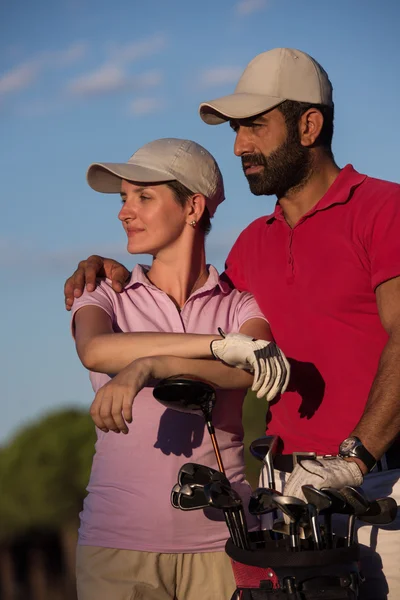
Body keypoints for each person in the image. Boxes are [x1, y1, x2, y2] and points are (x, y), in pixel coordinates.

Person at [65, 49, 400, 599]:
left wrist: (355, 457)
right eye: (236, 130)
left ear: (309, 125)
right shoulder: (250, 248)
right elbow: (213, 330)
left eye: (255, 127)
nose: (241, 145)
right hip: (284, 500)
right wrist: (107, 268)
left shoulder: (383, 208)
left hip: (379, 483)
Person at [70, 137, 290, 600]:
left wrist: (151, 365)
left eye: (143, 197)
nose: (124, 212)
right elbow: (95, 351)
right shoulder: (105, 293)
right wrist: (217, 346)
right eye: (124, 198)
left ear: (193, 207)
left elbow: (253, 369)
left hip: (226, 545)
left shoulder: (240, 304)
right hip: (116, 549)